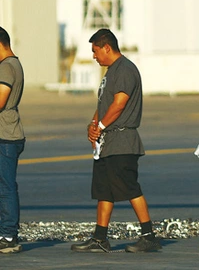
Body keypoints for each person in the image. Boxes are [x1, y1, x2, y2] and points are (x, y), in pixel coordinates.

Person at [71, 28, 161, 253]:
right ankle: (100, 238)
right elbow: (104, 104)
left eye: (95, 51)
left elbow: (119, 104)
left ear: (106, 48)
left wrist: (100, 126)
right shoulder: (111, 72)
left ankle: (149, 236)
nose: (93, 56)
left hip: (122, 140)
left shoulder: (124, 69)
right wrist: (94, 126)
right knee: (104, 190)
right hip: (107, 141)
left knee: (130, 188)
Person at [0, 27, 25, 254]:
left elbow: (0, 100)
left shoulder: (6, 67)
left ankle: (9, 236)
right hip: (9, 133)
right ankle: (5, 232)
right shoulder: (13, 64)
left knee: (6, 187)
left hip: (6, 136)